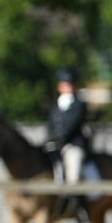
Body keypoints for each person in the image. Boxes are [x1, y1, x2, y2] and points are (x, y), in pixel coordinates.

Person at [45, 66, 90, 199]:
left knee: (73, 172)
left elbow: (71, 127)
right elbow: (50, 125)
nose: (69, 88)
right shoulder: (56, 105)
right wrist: (49, 138)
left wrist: (58, 139)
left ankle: (77, 203)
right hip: (56, 144)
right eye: (66, 85)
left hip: (73, 145)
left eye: (71, 85)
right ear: (60, 87)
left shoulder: (79, 105)